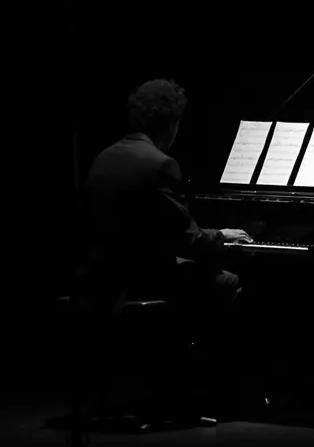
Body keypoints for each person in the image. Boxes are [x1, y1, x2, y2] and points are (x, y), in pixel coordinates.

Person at [78, 79, 252, 314]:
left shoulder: (104, 157)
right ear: (172, 124)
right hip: (141, 279)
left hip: (100, 278)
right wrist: (221, 235)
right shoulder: (161, 164)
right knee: (231, 281)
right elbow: (189, 242)